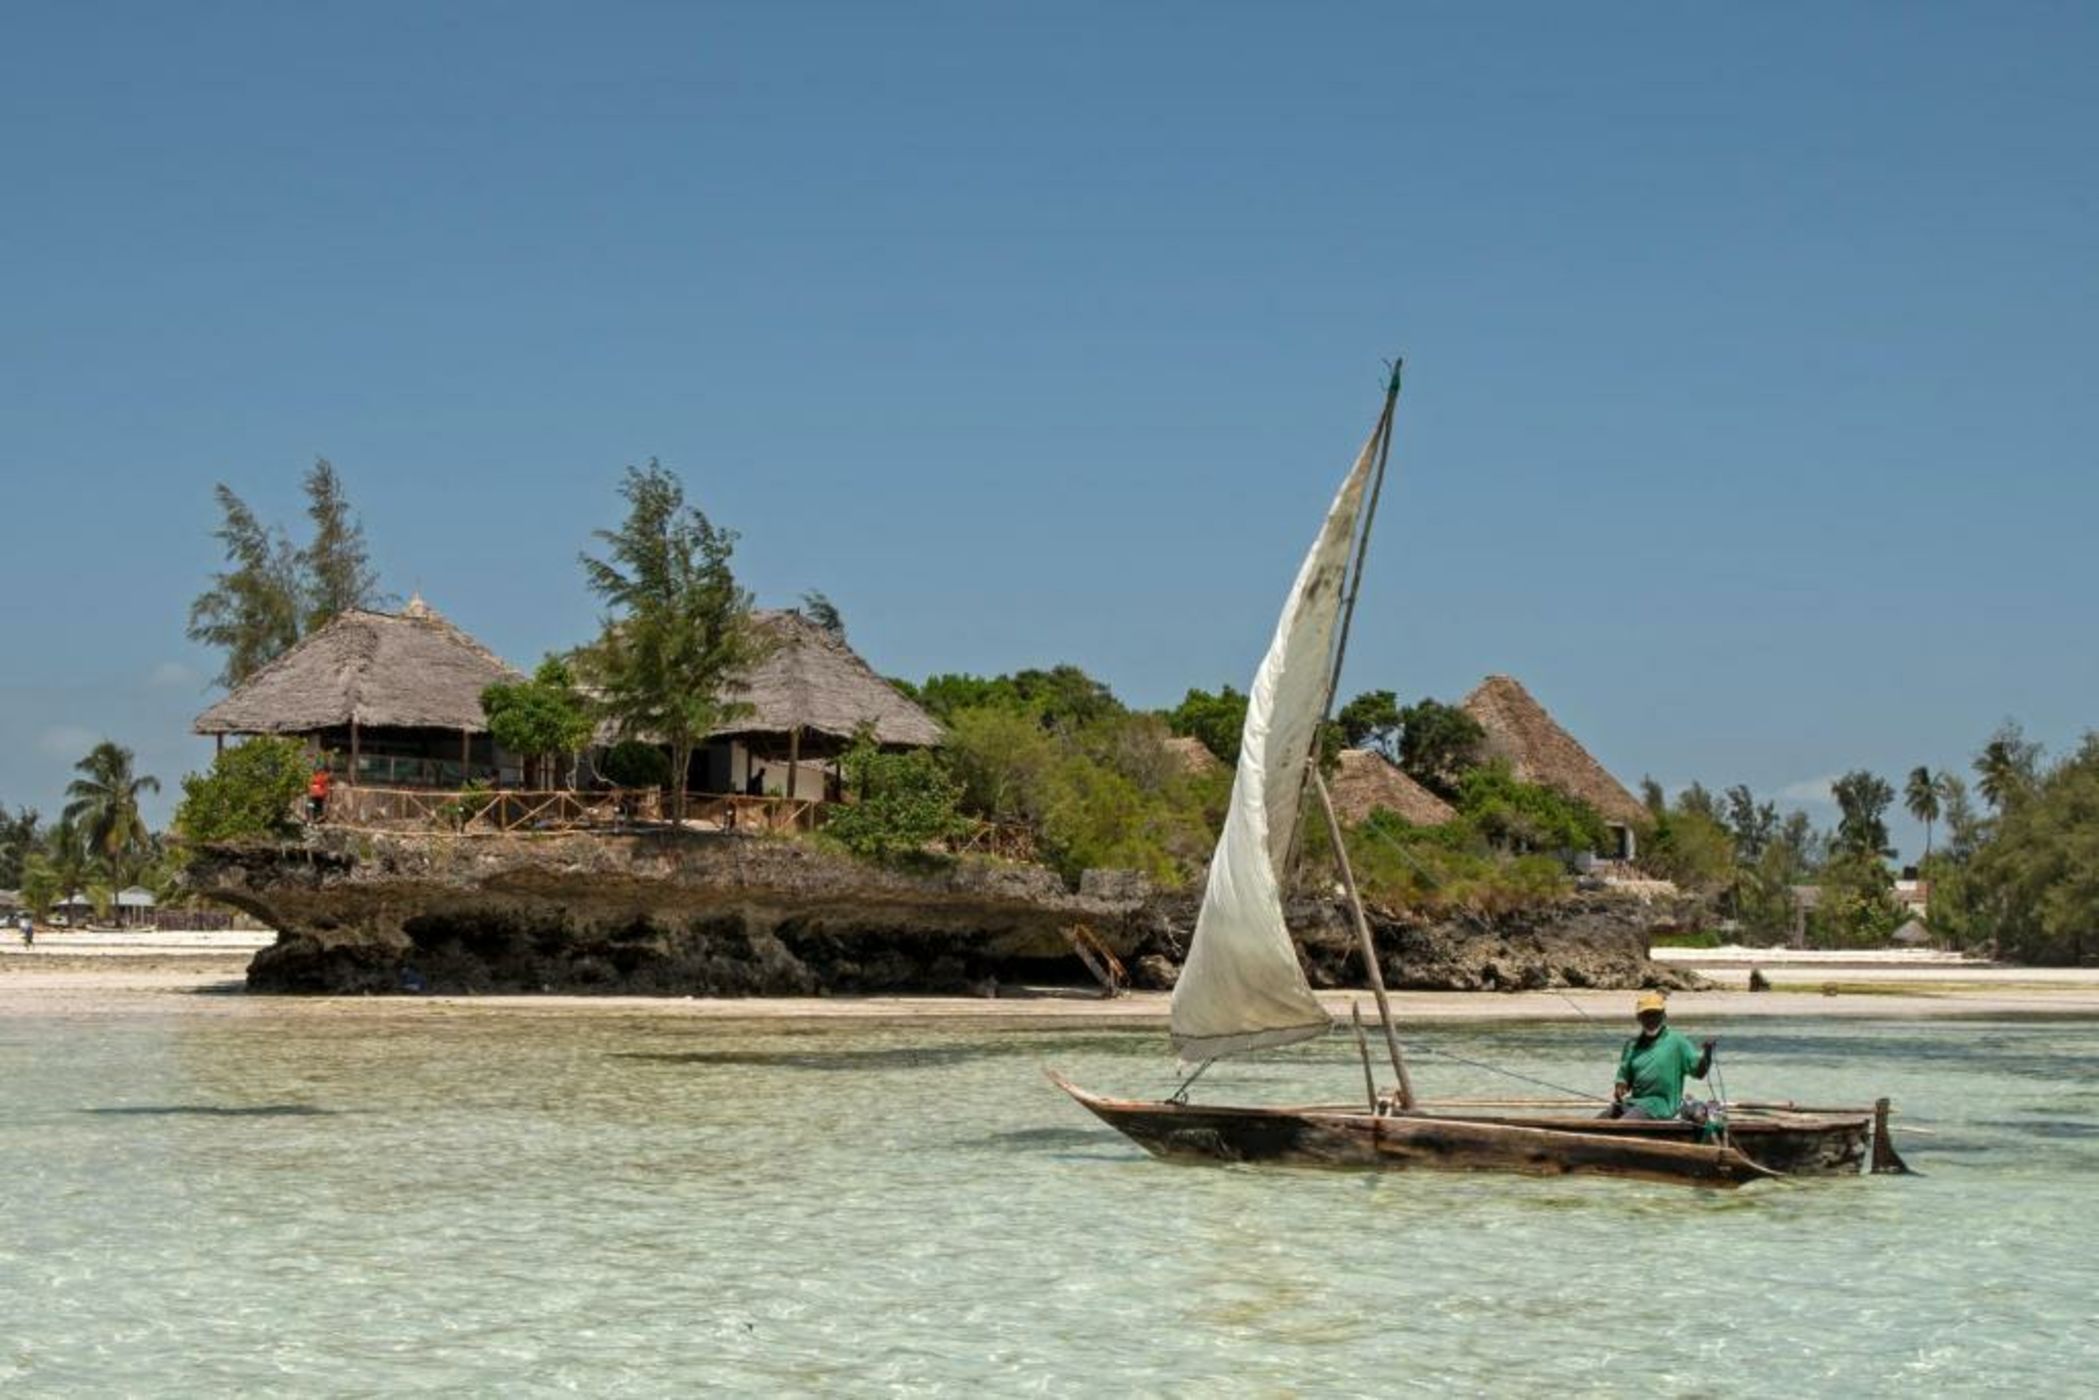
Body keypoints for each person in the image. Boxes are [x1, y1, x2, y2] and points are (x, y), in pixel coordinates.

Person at [1608, 991, 1716, 1121]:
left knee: (1621, 1126)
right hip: (1634, 1103)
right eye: (1646, 1015)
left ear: (1664, 1015)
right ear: (1639, 1018)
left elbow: (1699, 1073)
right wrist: (1620, 1089)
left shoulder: (1677, 1041)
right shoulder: (1631, 1045)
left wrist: (1707, 1054)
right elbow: (1624, 1079)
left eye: (1655, 1015)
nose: (1651, 1019)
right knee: (1597, 1122)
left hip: (1661, 1106)